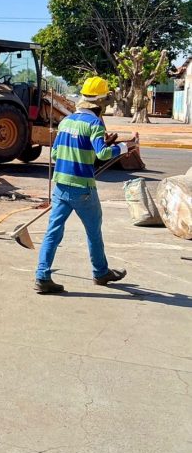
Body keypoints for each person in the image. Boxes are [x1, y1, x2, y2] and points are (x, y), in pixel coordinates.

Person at [34, 76, 138, 294]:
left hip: (60, 186)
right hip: (83, 189)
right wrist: (125, 147)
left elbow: (55, 153)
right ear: (100, 104)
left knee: (53, 232)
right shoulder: (95, 123)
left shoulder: (66, 121)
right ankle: (100, 273)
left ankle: (42, 276)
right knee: (93, 231)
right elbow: (102, 153)